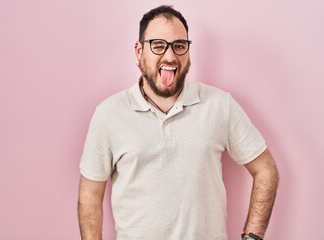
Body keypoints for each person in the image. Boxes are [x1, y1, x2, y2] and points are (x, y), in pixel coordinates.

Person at [78, 5, 279, 240]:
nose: (171, 56)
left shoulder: (219, 105)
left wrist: (252, 238)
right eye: (159, 45)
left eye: (179, 46)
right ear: (139, 51)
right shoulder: (108, 114)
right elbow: (90, 193)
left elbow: (265, 169)